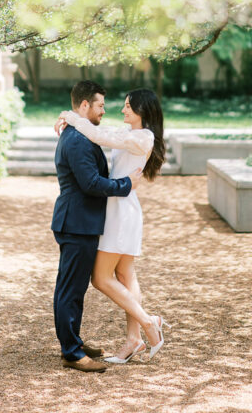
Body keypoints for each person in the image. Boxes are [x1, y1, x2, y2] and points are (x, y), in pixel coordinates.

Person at [56, 88, 169, 363]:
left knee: (100, 278)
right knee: (126, 274)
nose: (122, 110)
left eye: (128, 106)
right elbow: (99, 134)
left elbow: (98, 135)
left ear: (143, 109)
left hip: (121, 211)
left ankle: (148, 321)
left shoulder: (142, 137)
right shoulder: (132, 135)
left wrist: (69, 116)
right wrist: (71, 121)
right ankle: (134, 340)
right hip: (121, 207)